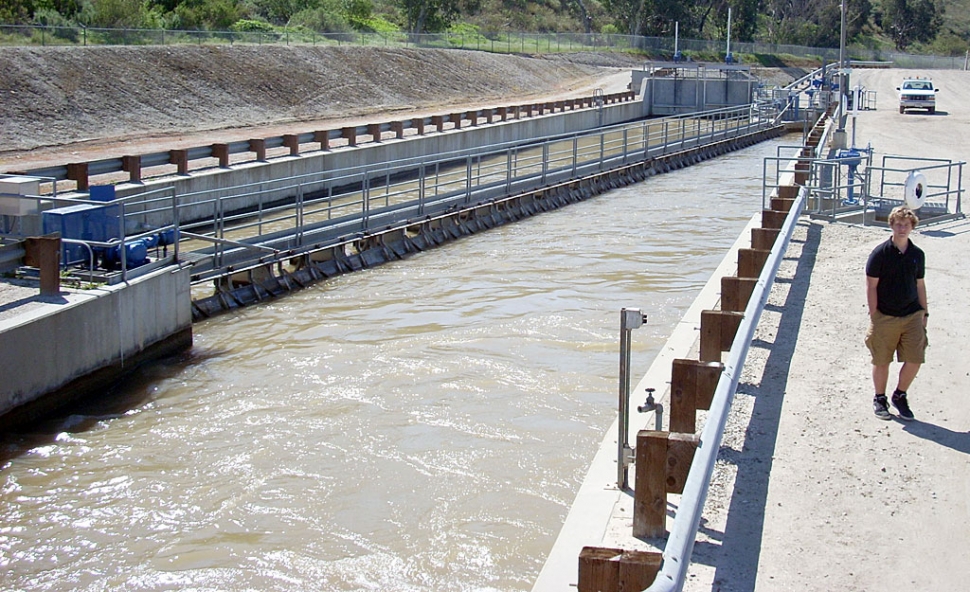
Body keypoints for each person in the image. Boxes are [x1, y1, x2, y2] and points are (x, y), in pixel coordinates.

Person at [865, 206, 928, 421]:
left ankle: (900, 395)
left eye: (906, 225)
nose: (902, 228)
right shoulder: (880, 254)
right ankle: (880, 398)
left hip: (912, 314)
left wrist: (924, 314)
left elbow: (920, 285)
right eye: (898, 224)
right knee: (882, 359)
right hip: (885, 315)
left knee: (915, 358)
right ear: (891, 225)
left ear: (912, 227)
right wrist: (875, 315)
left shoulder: (917, 255)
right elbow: (871, 286)